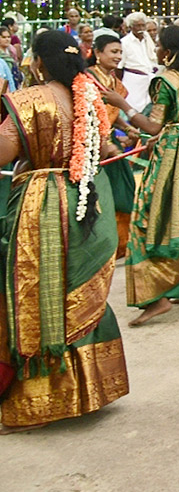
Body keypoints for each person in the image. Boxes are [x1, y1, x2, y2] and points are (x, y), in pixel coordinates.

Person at [0, 30, 129, 430]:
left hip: (43, 203)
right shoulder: (87, 97)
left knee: (38, 291)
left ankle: (42, 398)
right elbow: (106, 149)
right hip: (84, 199)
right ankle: (92, 388)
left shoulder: (30, 100)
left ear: (38, 62)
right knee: (76, 289)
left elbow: (5, 151)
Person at [107, 26, 179, 326]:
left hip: (172, 161)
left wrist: (123, 105)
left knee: (151, 221)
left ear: (168, 52)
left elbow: (154, 125)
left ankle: (155, 298)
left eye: (159, 45)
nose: (156, 49)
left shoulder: (166, 79)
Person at [89, 33, 136, 258]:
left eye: (120, 52)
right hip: (92, 147)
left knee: (124, 192)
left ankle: (122, 245)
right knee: (101, 197)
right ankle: (105, 247)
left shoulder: (114, 80)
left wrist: (127, 128)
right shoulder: (87, 80)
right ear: (97, 53)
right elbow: (87, 114)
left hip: (111, 144)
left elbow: (112, 112)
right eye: (113, 52)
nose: (118, 56)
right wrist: (104, 142)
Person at [120, 12, 158, 111]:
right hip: (133, 81)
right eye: (138, 26)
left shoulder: (149, 39)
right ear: (131, 27)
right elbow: (119, 67)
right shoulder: (125, 42)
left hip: (150, 79)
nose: (141, 28)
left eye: (143, 25)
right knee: (134, 109)